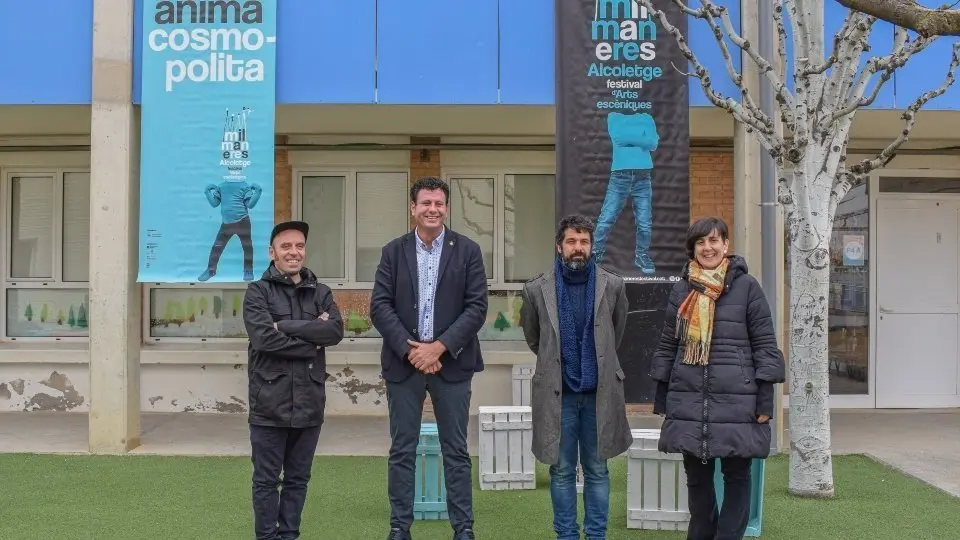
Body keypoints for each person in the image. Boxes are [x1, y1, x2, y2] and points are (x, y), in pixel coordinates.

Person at [649, 217, 785, 540]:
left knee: (737, 479)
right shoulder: (682, 289)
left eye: (714, 241)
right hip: (689, 401)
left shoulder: (747, 288)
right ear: (692, 249)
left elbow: (766, 347)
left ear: (726, 245)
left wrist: (765, 401)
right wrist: (663, 400)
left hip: (739, 403)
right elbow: (670, 345)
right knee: (697, 482)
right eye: (701, 242)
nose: (707, 248)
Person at [370, 176, 489, 540]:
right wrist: (412, 349)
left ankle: (463, 528)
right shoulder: (393, 251)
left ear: (446, 208)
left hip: (451, 364)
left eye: (438, 203)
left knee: (456, 450)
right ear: (413, 208)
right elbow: (379, 306)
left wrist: (438, 347)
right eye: (425, 203)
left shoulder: (467, 250)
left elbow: (477, 306)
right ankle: (399, 528)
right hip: (403, 365)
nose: (432, 209)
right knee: (401, 450)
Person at [519, 214, 633, 540]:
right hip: (560, 396)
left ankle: (596, 535)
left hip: (599, 395)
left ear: (592, 246)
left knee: (597, 470)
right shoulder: (536, 290)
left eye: (584, 241)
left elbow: (614, 333)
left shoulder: (612, 286)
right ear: (559, 246)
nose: (578, 247)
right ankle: (566, 535)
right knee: (562, 471)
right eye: (571, 241)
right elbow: (535, 338)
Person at [242, 220, 345, 540]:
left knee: (298, 479)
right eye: (286, 246)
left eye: (299, 246)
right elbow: (262, 340)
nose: (293, 252)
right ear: (272, 252)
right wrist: (311, 339)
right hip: (269, 403)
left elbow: (335, 332)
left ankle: (289, 535)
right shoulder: (257, 292)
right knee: (266, 481)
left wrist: (285, 326)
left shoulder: (321, 292)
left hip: (309, 402)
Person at [592, 111, 659, 273]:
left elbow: (653, 144)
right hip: (620, 176)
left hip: (643, 176)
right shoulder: (614, 116)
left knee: (645, 223)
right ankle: (595, 253)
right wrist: (641, 139)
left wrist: (631, 139)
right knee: (606, 219)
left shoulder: (647, 117)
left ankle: (641, 255)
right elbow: (618, 140)